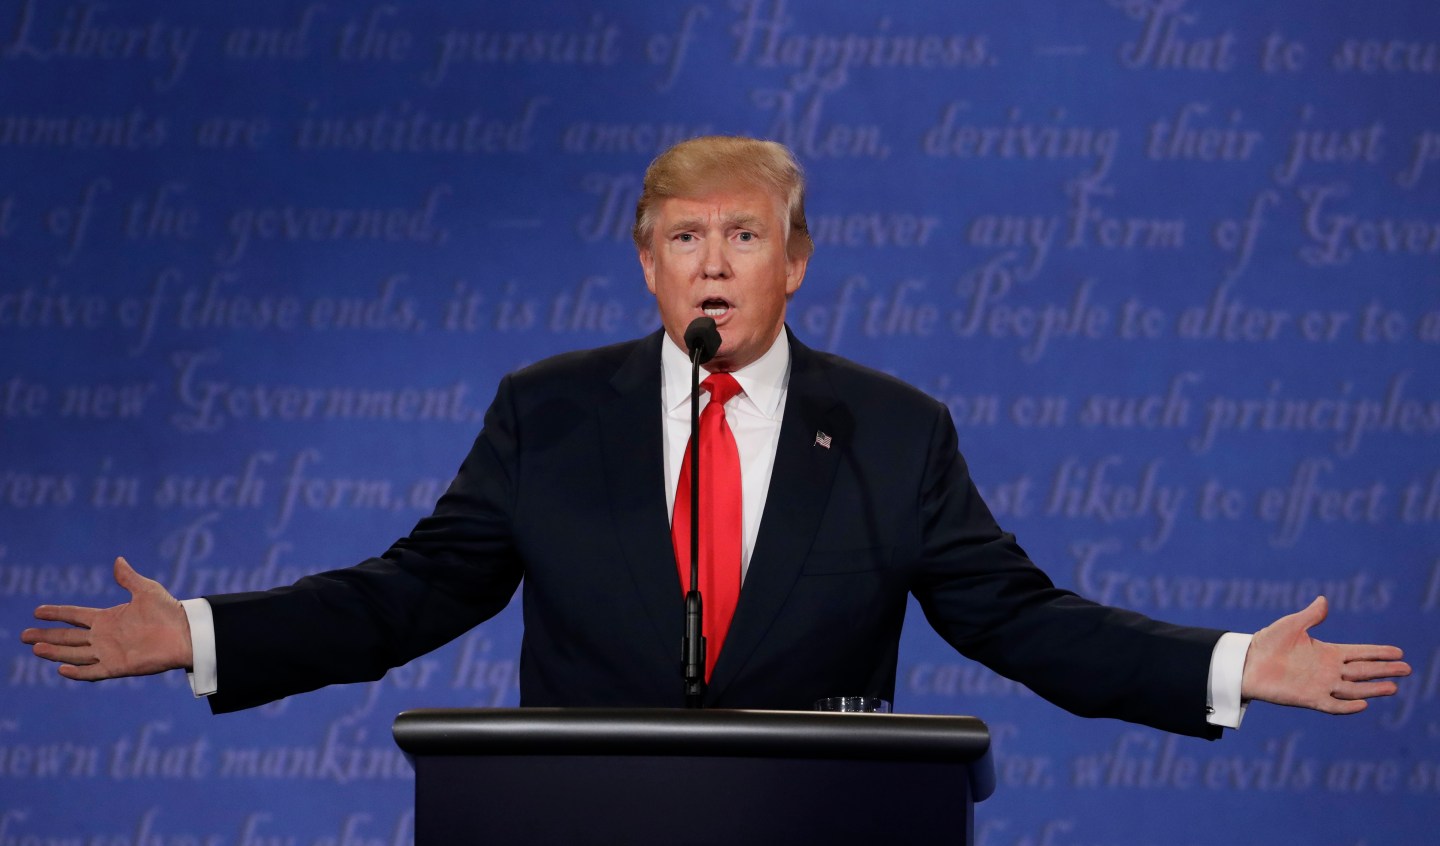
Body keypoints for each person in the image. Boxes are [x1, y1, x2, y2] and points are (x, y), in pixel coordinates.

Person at [21, 136, 1409, 736]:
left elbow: (1023, 621)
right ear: (645, 263)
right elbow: (412, 593)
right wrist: (202, 634)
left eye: (745, 235)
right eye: (683, 237)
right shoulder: (551, 412)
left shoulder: (894, 429)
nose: (713, 263)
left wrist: (1229, 663)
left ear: (795, 260)